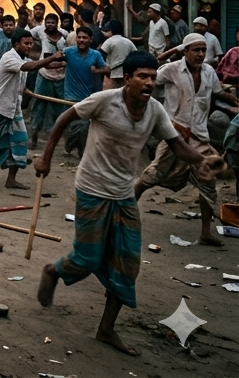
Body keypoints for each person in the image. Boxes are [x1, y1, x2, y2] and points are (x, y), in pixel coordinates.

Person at [34, 51, 222, 357]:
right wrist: (46, 156)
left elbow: (176, 145)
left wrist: (204, 159)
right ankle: (54, 271)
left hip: (123, 194)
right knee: (87, 259)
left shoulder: (155, 111)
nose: (149, 82)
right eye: (142, 76)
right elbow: (65, 118)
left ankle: (106, 329)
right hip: (92, 189)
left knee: (128, 265)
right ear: (128, 79)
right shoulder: (104, 100)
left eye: (153, 77)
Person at [137, 33, 238, 245]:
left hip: (200, 138)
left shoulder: (209, 72)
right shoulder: (172, 69)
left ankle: (205, 233)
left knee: (208, 183)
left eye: (203, 50)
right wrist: (164, 120)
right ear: (185, 51)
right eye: (196, 50)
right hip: (174, 136)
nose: (201, 54)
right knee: (151, 177)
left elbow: (218, 94)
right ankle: (122, 216)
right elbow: (148, 80)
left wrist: (234, 101)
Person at [0, 29, 62, 189]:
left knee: (20, 141)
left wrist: (62, 62)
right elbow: (30, 67)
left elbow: (26, 74)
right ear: (16, 44)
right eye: (26, 43)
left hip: (14, 109)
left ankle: (11, 179)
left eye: (31, 43)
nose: (29, 46)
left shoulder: (23, 59)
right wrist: (52, 56)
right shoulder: (9, 58)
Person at [28, 13, 70, 148]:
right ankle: (33, 138)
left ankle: (64, 142)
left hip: (61, 77)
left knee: (61, 110)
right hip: (44, 75)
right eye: (48, 22)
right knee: (38, 107)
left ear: (57, 23)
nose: (50, 25)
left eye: (53, 22)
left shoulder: (65, 35)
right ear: (45, 23)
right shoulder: (39, 31)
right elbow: (27, 36)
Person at [63, 26, 109, 104]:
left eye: (84, 38)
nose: (81, 40)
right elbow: (52, 61)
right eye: (79, 37)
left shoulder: (96, 54)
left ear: (90, 40)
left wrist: (97, 71)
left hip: (88, 98)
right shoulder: (68, 52)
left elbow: (107, 70)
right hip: (70, 97)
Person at [99, 20, 135, 90]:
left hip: (112, 73)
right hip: (126, 73)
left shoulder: (109, 41)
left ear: (111, 30)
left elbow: (101, 54)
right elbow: (135, 54)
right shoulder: (128, 42)